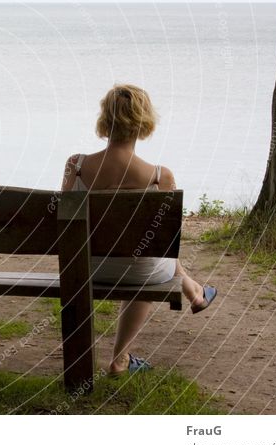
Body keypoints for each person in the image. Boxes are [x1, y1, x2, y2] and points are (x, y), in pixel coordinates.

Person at [60, 84, 216, 376]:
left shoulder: (76, 166)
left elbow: (64, 221)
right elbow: (165, 241)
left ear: (105, 118)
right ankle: (120, 358)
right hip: (140, 272)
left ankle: (196, 291)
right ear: (143, 120)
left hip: (85, 267)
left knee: (151, 255)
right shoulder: (160, 177)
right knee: (152, 258)